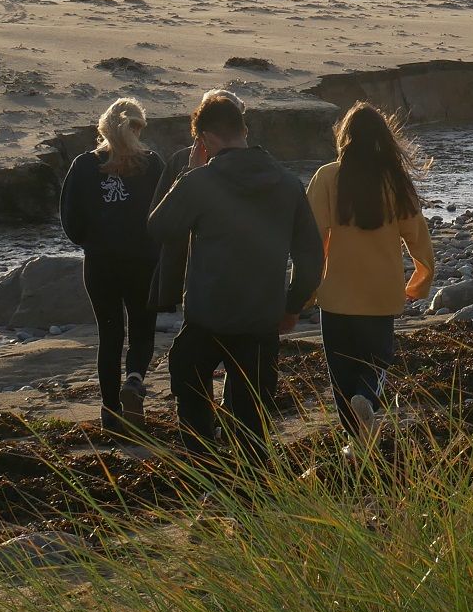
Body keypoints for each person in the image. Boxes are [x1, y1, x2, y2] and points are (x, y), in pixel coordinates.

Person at [148, 92, 323, 459]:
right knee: (252, 422)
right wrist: (292, 306)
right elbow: (311, 258)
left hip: (207, 317)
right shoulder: (288, 183)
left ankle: (208, 473)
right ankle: (254, 499)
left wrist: (188, 173)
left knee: (191, 394)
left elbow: (160, 228)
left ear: (205, 139)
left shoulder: (200, 182)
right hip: (261, 319)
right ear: (245, 129)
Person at [306, 103, 434, 438]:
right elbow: (417, 238)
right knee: (375, 363)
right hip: (381, 295)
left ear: (344, 137)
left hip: (336, 295)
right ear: (382, 138)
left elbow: (311, 237)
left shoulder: (327, 176)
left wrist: (306, 289)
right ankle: (366, 400)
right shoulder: (394, 181)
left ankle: (354, 440)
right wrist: (420, 282)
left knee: (340, 373)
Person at [59, 97, 163, 433]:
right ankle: (134, 381)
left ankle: (110, 413)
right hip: (144, 263)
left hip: (101, 264)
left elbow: (70, 220)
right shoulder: (152, 164)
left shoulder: (83, 165)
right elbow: (166, 212)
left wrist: (91, 242)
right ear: (139, 127)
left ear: (102, 128)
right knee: (142, 332)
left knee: (110, 335)